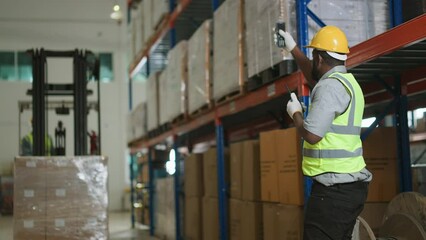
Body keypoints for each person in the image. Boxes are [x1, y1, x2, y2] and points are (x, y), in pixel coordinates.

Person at [275, 26, 372, 239]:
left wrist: (296, 114)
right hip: (348, 187)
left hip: (334, 192)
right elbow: (315, 80)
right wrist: (293, 48)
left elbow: (311, 134)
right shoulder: (348, 83)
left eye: (314, 56)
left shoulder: (330, 88)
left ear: (319, 59)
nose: (313, 62)